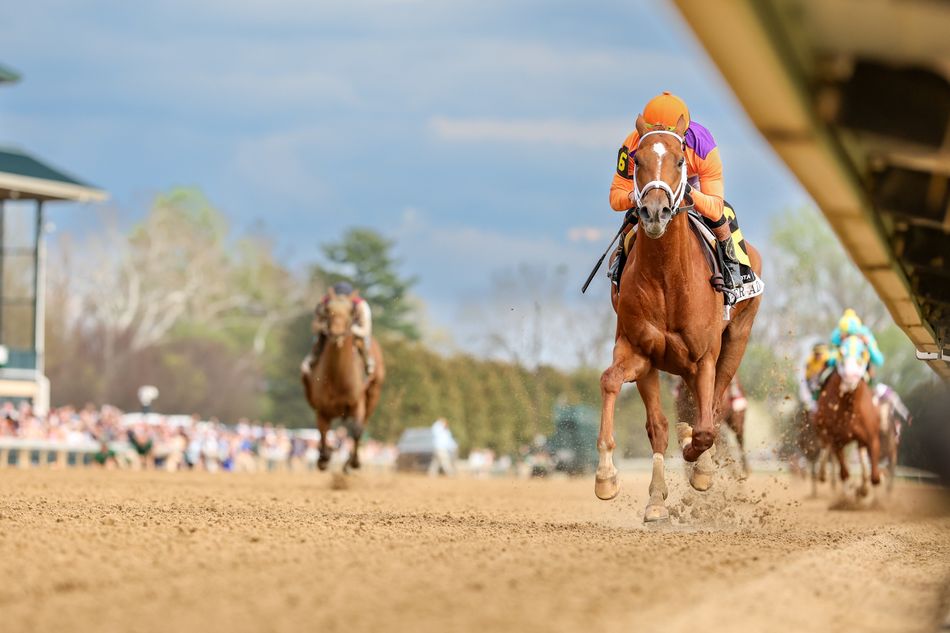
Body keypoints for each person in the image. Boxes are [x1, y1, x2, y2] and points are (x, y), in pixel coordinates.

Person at [608, 91, 755, 289]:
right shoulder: (632, 145)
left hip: (688, 181)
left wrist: (685, 190)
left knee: (725, 212)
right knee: (631, 216)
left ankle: (734, 268)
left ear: (683, 133)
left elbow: (714, 207)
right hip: (651, 185)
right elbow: (616, 197)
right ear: (643, 132)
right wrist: (635, 196)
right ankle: (621, 264)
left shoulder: (703, 146)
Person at [302, 281, 374, 376]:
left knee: (362, 341)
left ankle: (367, 361)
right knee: (319, 339)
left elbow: (366, 330)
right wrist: (323, 327)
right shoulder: (324, 303)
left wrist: (352, 329)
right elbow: (315, 327)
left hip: (353, 329)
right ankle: (312, 358)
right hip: (329, 331)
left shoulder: (361, 306)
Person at [829, 308, 884, 379]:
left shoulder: (865, 334)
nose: (850, 337)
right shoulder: (837, 334)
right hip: (840, 368)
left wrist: (868, 345)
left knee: (872, 378)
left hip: (862, 369)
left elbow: (879, 360)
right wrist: (839, 349)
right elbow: (829, 360)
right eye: (847, 335)